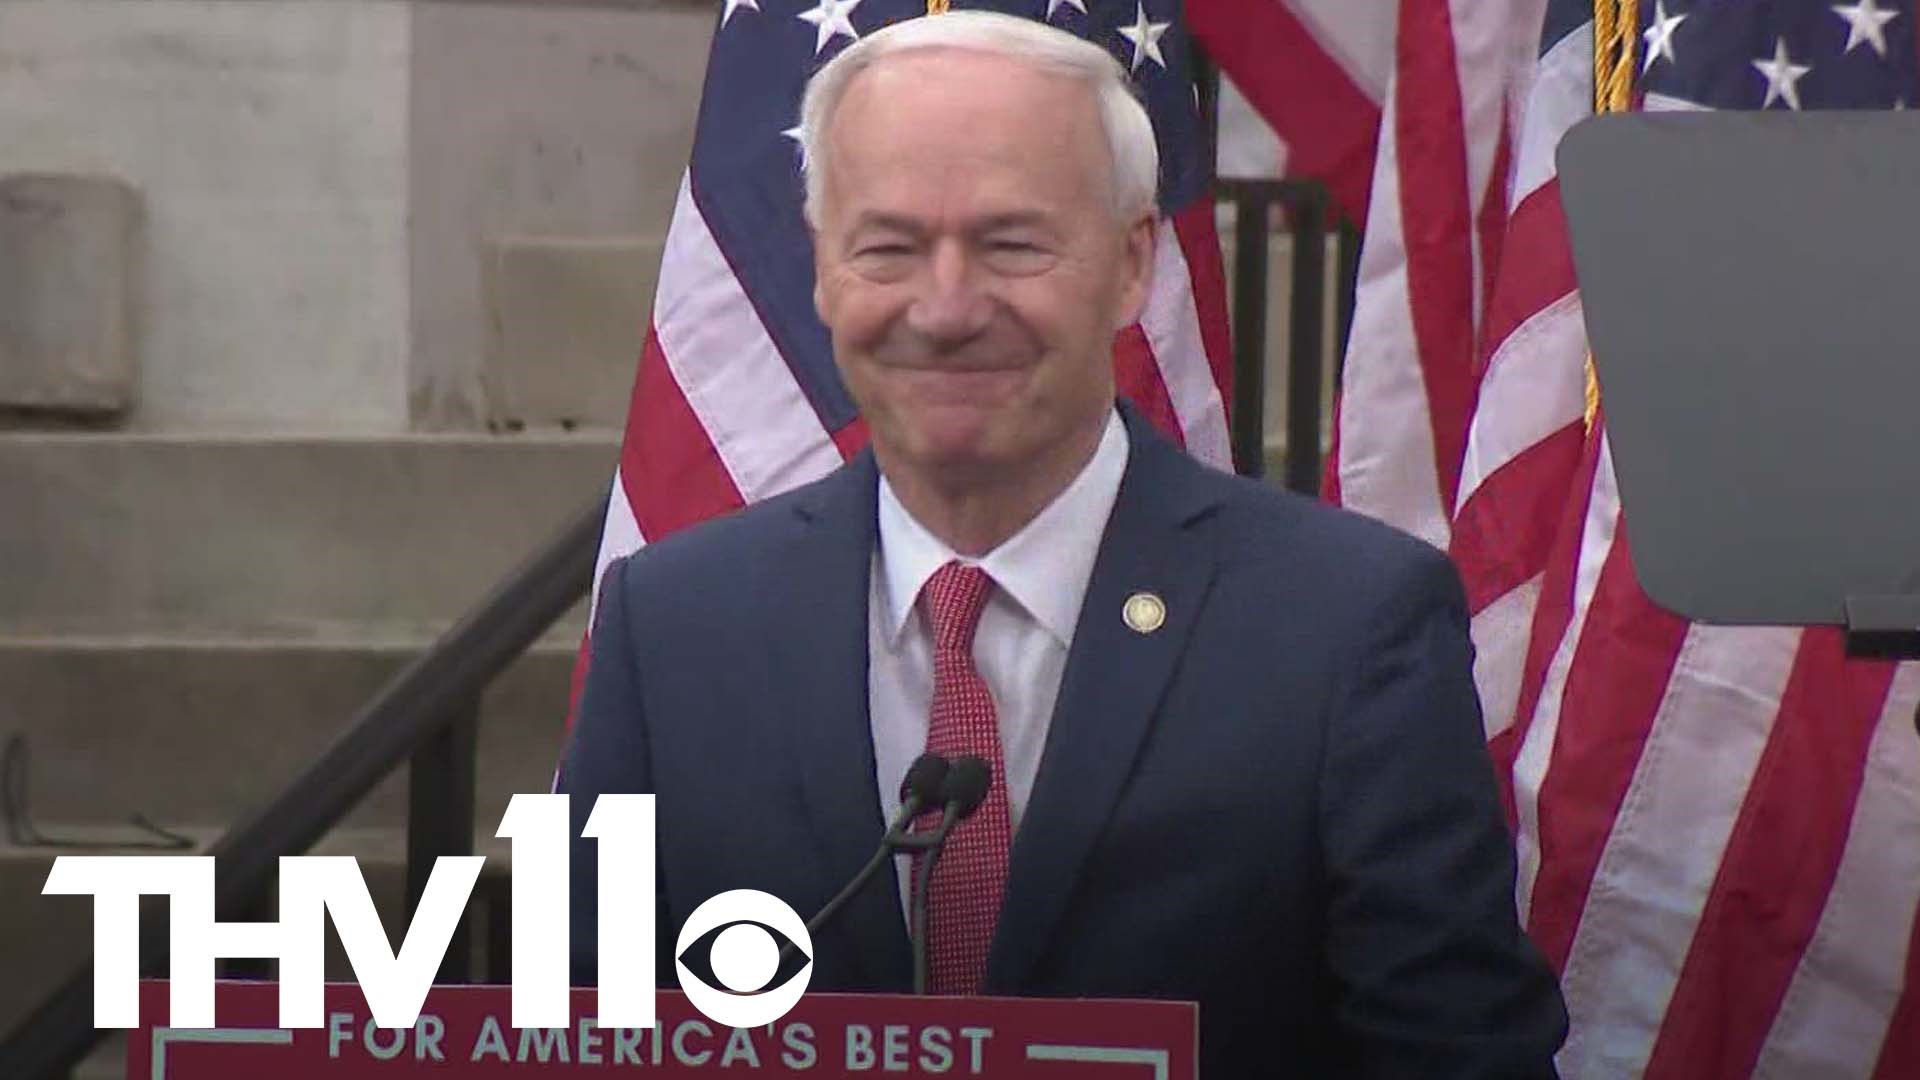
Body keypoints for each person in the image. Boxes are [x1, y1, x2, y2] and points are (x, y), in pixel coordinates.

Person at [559, 11, 1566, 1075]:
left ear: (1133, 264)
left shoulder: (1350, 626)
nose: (946, 309)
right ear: (820, 270)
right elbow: (574, 1035)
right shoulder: (670, 628)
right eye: (890, 247)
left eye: (1011, 244)